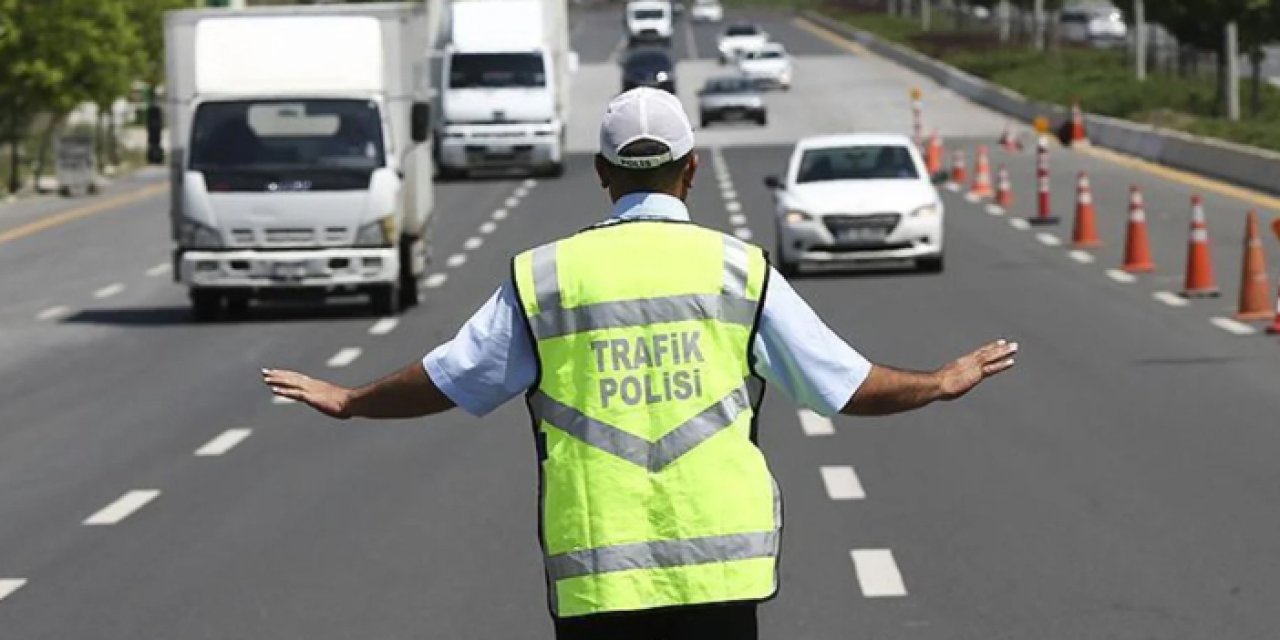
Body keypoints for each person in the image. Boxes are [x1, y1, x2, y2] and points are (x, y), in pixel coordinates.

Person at [261, 87, 1018, 640]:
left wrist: (353, 398)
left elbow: (453, 377)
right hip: (722, 573)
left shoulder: (547, 276)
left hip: (599, 582)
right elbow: (843, 384)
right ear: (690, 171)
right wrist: (939, 383)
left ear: (601, 172)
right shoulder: (737, 271)